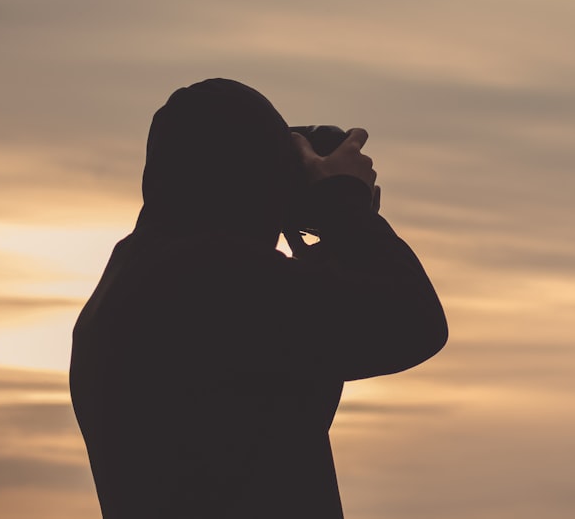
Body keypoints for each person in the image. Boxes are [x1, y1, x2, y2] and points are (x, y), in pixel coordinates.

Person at [70, 79, 447, 518]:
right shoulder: (211, 278)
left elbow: (312, 324)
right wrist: (343, 207)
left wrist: (328, 221)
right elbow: (411, 322)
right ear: (254, 176)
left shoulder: (140, 271)